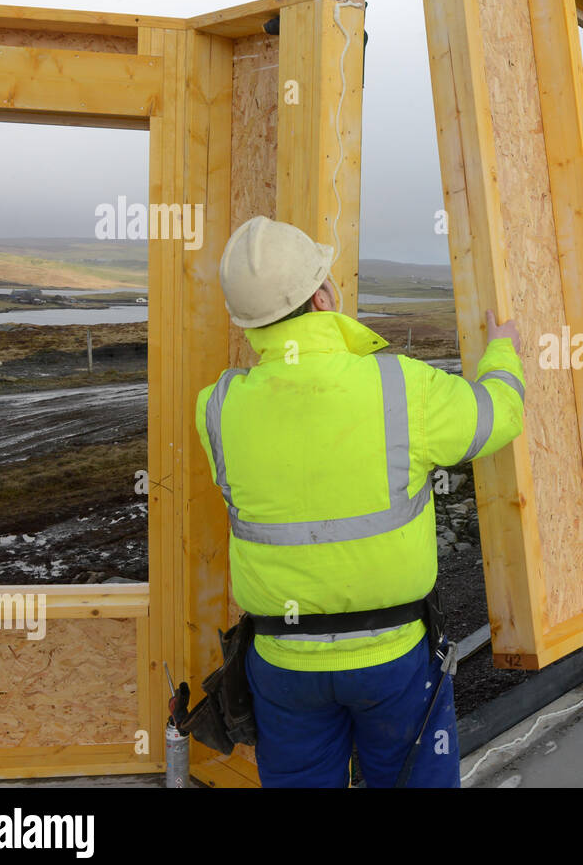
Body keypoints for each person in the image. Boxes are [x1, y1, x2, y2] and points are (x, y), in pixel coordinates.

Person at [195, 216, 525, 787]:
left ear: (248, 321)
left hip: (282, 663)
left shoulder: (218, 408)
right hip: (392, 658)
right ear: (322, 296)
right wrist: (503, 353)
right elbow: (499, 415)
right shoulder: (402, 387)